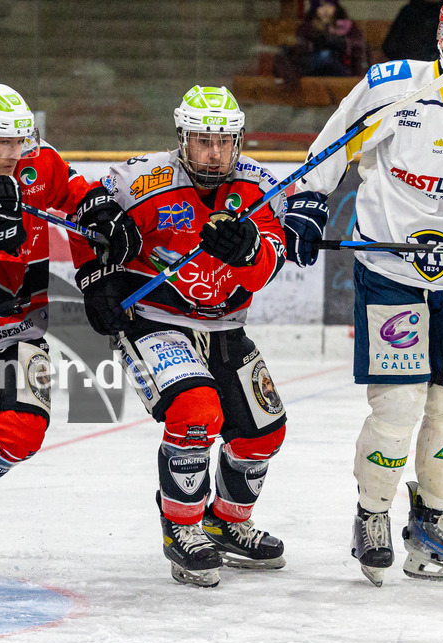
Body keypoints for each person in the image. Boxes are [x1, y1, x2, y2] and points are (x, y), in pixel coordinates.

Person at [73, 86, 289, 588]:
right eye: (202, 141)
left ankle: (225, 523)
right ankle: (182, 527)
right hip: (155, 318)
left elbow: (266, 267)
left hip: (225, 324)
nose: (214, 153)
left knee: (264, 432)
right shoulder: (140, 179)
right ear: (181, 138)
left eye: (224, 142)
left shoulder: (260, 186)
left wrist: (247, 252)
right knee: (196, 411)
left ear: (239, 140)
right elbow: (86, 218)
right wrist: (95, 278)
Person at [285, 0, 443, 587]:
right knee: (399, 405)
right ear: (442, 38)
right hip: (391, 269)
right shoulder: (395, 87)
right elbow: (336, 140)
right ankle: (372, 515)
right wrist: (309, 200)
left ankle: (431, 525)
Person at [0, 83, 140, 512]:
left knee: (22, 433)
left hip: (16, 332)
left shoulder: (37, 162)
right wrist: (2, 242)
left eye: (20, 140)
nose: (16, 153)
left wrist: (100, 213)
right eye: (4, 142)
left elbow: (74, 192)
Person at [280, 0, 368, 80]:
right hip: (313, 67)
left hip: (341, 67)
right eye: (321, 6)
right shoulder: (307, 27)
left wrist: (342, 43)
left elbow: (358, 49)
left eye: (330, 6)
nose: (326, 10)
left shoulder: (347, 26)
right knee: (325, 56)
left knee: (330, 57)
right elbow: (300, 50)